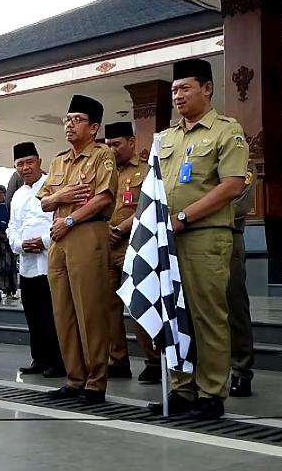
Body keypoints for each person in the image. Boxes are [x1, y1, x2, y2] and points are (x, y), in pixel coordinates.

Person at [151, 58, 248, 419]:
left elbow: (232, 186)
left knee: (208, 316)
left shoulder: (226, 131)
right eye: (174, 89)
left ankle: (210, 393)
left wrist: (183, 216)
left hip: (205, 237)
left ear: (207, 89)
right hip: (168, 239)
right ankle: (181, 388)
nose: (178, 95)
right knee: (176, 316)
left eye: (185, 88)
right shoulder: (166, 138)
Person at [37, 94, 117, 404]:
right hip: (59, 236)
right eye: (67, 119)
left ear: (94, 127)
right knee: (63, 311)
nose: (69, 125)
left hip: (85, 232)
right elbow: (44, 200)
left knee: (90, 310)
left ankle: (96, 381)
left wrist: (68, 218)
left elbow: (103, 197)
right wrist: (63, 196)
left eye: (77, 120)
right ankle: (74, 378)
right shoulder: (59, 160)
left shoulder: (102, 156)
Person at [104, 122, 161, 384]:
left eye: (116, 144)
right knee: (108, 309)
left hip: (134, 246)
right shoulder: (104, 172)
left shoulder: (146, 170)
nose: (112, 149)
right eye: (108, 145)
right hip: (105, 247)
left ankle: (154, 360)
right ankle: (117, 360)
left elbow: (150, 205)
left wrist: (122, 227)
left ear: (131, 142)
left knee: (140, 304)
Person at [6, 142, 65, 378]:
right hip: (27, 263)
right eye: (20, 164)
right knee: (33, 314)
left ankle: (58, 361)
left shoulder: (54, 186)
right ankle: (39, 359)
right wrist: (20, 245)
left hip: (50, 261)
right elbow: (12, 227)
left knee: (53, 314)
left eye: (29, 162)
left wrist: (42, 241)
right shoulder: (18, 194)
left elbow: (61, 220)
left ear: (39, 161)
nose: (25, 168)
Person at [228, 166, 256, 397]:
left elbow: (241, 204)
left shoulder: (242, 159)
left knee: (235, 306)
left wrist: (197, 211)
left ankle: (241, 369)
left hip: (229, 237)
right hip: (193, 238)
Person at [0, 185, 18, 299]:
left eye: (1, 193)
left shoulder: (9, 206)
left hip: (9, 241)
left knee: (11, 266)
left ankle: (12, 290)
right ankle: (1, 289)